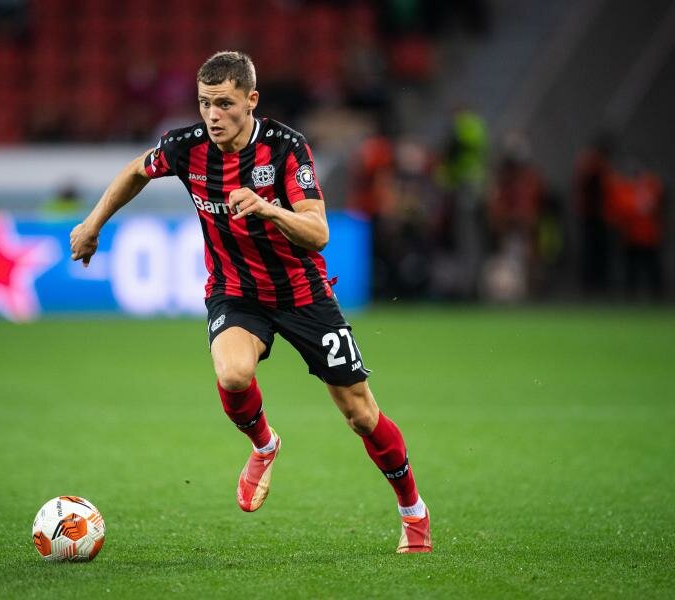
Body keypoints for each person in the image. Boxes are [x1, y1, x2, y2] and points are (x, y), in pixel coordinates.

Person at [69, 51, 431, 554]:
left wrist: (267, 208)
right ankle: (264, 444)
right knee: (233, 374)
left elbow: (319, 232)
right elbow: (136, 170)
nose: (212, 115)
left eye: (224, 103)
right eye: (204, 103)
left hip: (303, 293)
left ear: (251, 100)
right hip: (235, 291)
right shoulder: (186, 148)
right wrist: (92, 224)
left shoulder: (285, 148)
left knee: (360, 413)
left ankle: (413, 512)